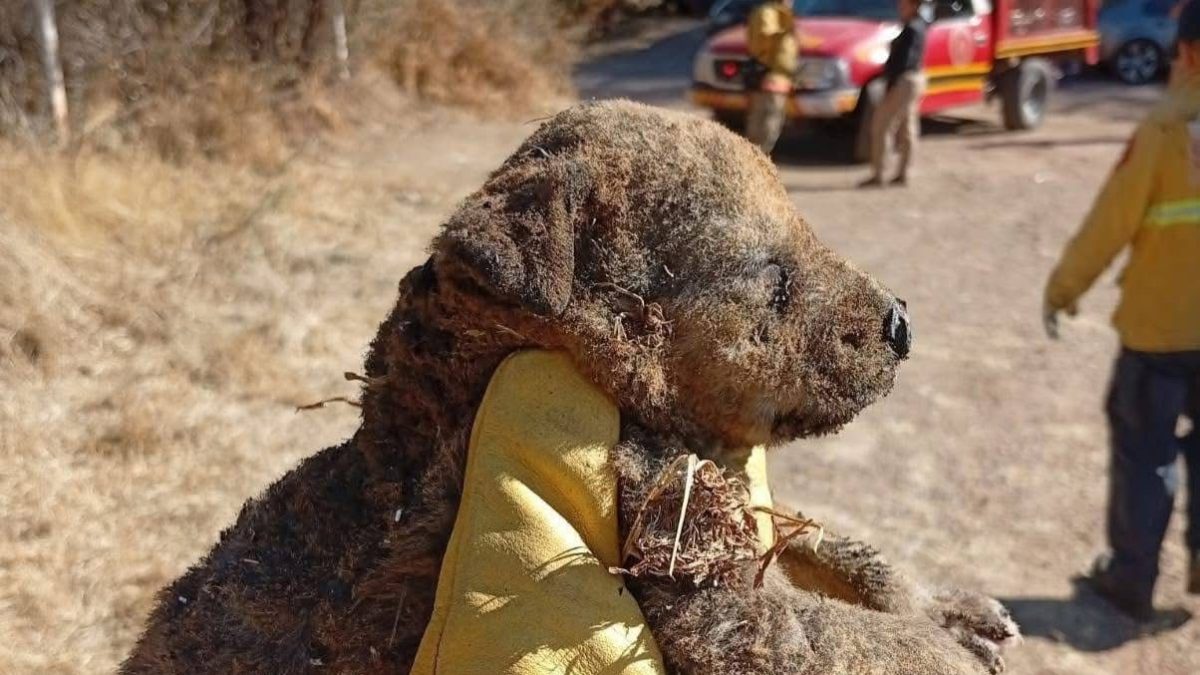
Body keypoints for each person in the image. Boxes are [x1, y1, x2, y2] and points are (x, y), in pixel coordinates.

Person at [1043, 0, 1200, 621]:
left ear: (1186, 52)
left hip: (1158, 334)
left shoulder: (1163, 131)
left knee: (1145, 454)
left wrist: (1063, 289)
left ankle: (1132, 580)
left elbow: (1110, 225)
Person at [861, 0, 928, 187]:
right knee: (907, 126)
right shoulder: (918, 26)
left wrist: (889, 84)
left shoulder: (912, 28)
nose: (900, 6)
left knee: (882, 126)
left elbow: (903, 61)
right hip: (914, 79)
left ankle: (880, 173)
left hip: (904, 81)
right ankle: (904, 172)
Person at [745, 0, 797, 154]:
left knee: (766, 122)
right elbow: (764, 42)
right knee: (766, 124)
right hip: (770, 78)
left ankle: (756, 159)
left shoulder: (776, 13)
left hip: (777, 78)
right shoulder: (769, 13)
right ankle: (757, 160)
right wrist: (786, 27)